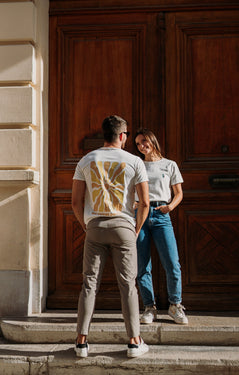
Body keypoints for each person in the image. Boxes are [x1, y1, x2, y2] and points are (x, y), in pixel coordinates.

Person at [72, 115, 150, 358]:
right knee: (128, 284)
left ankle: (81, 342)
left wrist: (87, 225)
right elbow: (145, 202)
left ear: (104, 134)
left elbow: (75, 201)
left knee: (89, 284)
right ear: (123, 136)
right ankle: (134, 342)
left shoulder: (87, 160)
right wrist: (135, 229)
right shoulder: (134, 161)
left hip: (95, 225)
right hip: (124, 226)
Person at [134, 128, 188, 325]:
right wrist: (133, 204)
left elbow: (179, 193)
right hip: (140, 214)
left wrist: (170, 207)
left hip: (161, 215)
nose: (141, 146)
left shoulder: (169, 164)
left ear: (152, 141)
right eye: (138, 144)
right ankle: (149, 307)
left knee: (172, 263)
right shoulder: (136, 164)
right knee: (142, 265)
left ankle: (175, 305)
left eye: (144, 142)